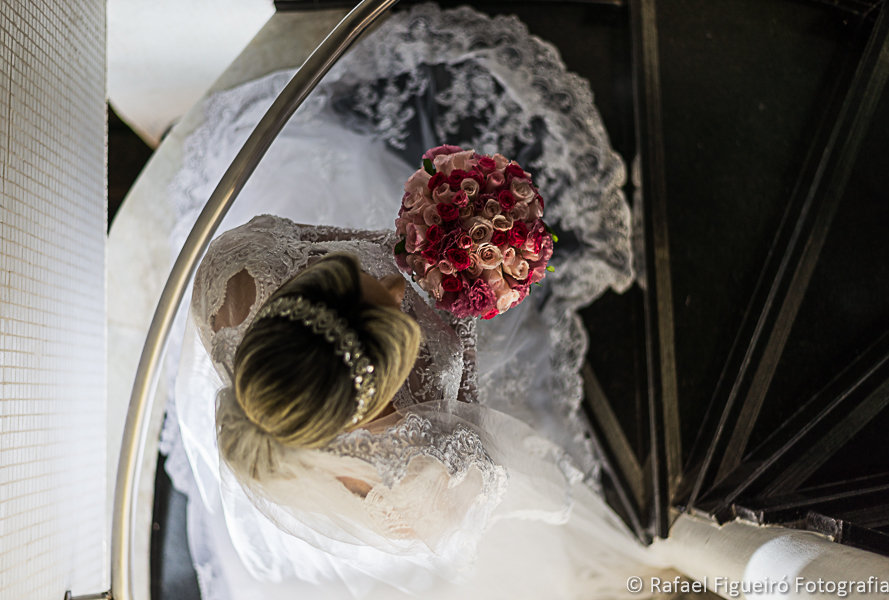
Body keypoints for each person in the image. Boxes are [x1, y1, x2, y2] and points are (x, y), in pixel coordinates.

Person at [162, 5, 670, 599]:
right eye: (397, 315)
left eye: (354, 276)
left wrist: (414, 238)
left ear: (298, 293)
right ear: (374, 403)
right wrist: (465, 303)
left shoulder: (231, 270)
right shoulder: (416, 456)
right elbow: (474, 422)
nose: (400, 284)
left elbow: (325, 239)